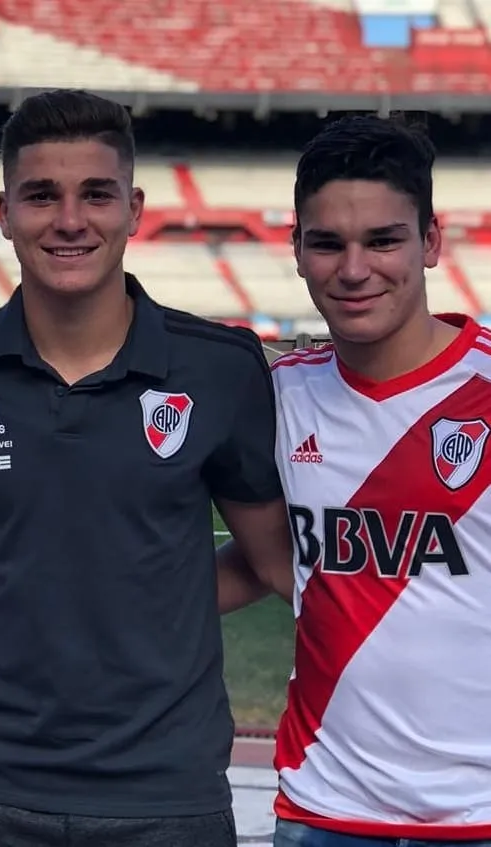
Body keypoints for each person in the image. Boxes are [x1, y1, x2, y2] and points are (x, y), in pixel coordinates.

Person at [0, 88, 292, 847]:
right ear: (2, 210)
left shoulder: (219, 367)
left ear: (132, 207)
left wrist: (154, 593)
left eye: (95, 194)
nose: (69, 220)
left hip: (171, 796)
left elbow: (272, 562)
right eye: (41, 196)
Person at [217, 114, 491, 845]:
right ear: (296, 251)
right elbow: (265, 560)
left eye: (382, 240)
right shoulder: (276, 399)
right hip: (323, 813)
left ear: (430, 242)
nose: (353, 268)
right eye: (327, 243)